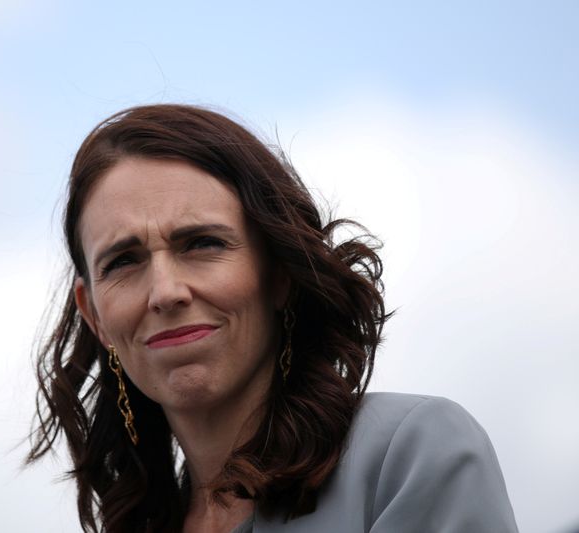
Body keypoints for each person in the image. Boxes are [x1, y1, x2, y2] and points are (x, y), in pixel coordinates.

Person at [26, 104, 518, 532]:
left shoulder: (410, 454)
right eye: (123, 261)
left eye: (202, 243)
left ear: (279, 272)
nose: (165, 292)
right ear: (94, 316)